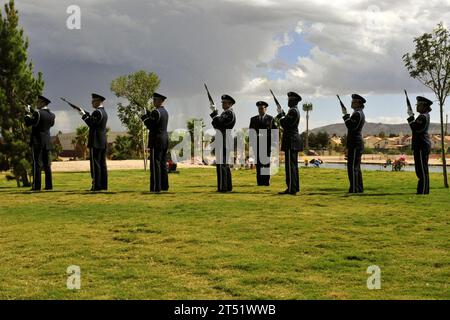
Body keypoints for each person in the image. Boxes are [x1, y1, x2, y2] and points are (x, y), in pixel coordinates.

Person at [24, 95, 55, 191]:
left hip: (37, 141)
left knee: (37, 163)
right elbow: (41, 119)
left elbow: (29, 122)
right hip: (47, 142)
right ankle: (49, 185)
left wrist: (27, 113)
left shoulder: (38, 113)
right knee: (47, 165)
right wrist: (33, 112)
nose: (36, 103)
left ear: (42, 103)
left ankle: (36, 186)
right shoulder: (52, 115)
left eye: (38, 102)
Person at [79, 93, 108, 191]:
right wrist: (86, 113)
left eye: (94, 101)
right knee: (102, 164)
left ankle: (96, 185)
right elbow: (94, 120)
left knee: (95, 165)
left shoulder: (97, 112)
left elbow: (91, 124)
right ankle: (103, 185)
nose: (92, 102)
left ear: (99, 101)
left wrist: (83, 116)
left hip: (95, 141)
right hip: (102, 141)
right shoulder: (103, 112)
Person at [141, 93, 169, 193]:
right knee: (162, 164)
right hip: (164, 140)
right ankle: (164, 186)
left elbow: (150, 125)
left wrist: (144, 116)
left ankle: (156, 187)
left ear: (160, 100)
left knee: (155, 164)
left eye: (155, 100)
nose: (153, 101)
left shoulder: (156, 112)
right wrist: (148, 114)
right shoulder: (164, 111)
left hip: (156, 140)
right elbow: (156, 122)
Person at [276, 92, 302, 195]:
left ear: (294, 101)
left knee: (291, 166)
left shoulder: (293, 111)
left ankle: (291, 188)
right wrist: (282, 114)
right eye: (288, 100)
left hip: (292, 141)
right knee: (292, 166)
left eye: (290, 100)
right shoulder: (292, 111)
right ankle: (293, 187)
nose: (288, 101)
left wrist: (281, 115)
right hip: (292, 141)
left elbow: (285, 124)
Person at [210, 95, 236, 192]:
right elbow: (216, 125)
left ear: (230, 104)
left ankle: (222, 187)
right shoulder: (225, 113)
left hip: (224, 140)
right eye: (222, 102)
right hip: (224, 140)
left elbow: (219, 123)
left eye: (225, 102)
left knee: (221, 165)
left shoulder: (229, 113)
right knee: (224, 165)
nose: (223, 104)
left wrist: (214, 113)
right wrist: (216, 115)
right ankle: (227, 187)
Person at [341, 94, 366, 193]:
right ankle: (358, 188)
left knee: (353, 167)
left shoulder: (357, 114)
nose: (352, 103)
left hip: (355, 143)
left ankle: (355, 188)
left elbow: (351, 127)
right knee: (356, 167)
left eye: (354, 102)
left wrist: (346, 116)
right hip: (355, 143)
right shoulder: (358, 113)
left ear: (359, 103)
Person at [407, 96, 432, 195]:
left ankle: (423, 191)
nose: (417, 107)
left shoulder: (423, 117)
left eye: (419, 105)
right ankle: (422, 190)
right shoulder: (423, 116)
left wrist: (411, 117)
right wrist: (412, 117)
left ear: (424, 106)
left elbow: (416, 128)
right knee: (420, 170)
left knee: (422, 170)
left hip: (422, 145)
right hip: (420, 145)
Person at [249, 101, 277, 186]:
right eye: (259, 108)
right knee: (258, 164)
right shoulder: (253, 119)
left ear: (266, 109)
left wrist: (274, 144)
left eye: (262, 108)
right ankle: (260, 182)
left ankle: (266, 182)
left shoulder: (271, 119)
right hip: (257, 145)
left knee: (266, 164)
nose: (260, 110)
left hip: (267, 145)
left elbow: (274, 132)